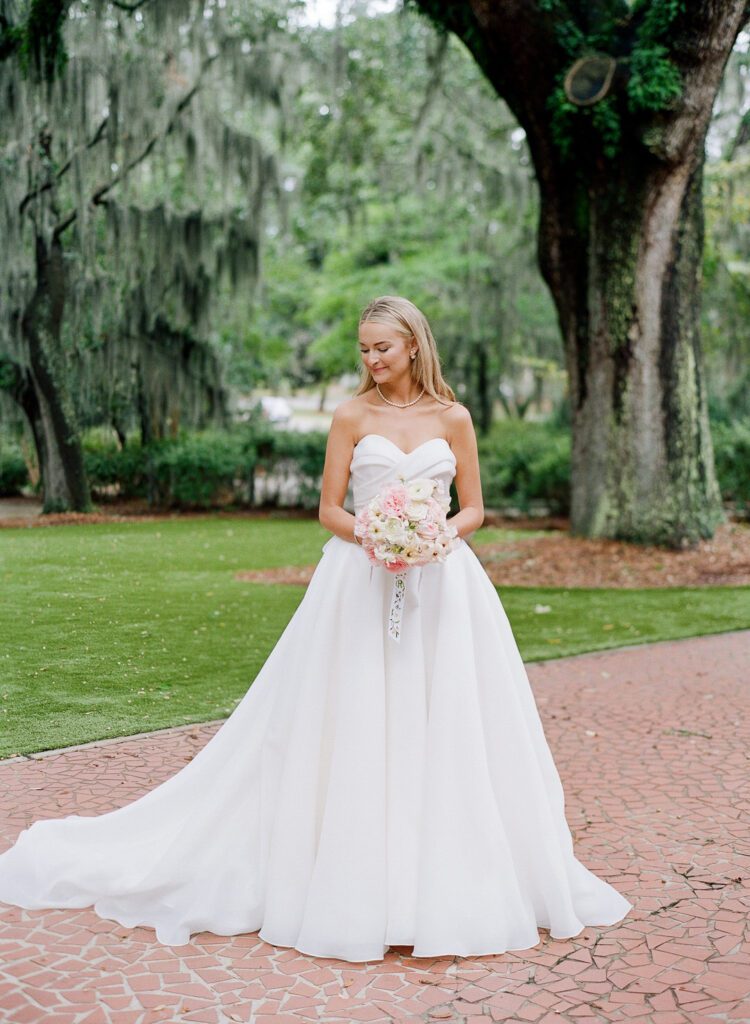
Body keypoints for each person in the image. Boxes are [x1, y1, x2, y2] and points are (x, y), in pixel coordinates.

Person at [0, 295, 632, 962]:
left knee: (446, 723)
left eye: (381, 348)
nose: (371, 359)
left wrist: (434, 536)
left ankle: (445, 884)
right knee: (355, 720)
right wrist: (376, 535)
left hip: (443, 586)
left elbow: (474, 507)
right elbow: (329, 509)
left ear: (413, 345)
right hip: (358, 583)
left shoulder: (454, 417)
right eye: (363, 349)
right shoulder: (351, 415)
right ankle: (351, 883)